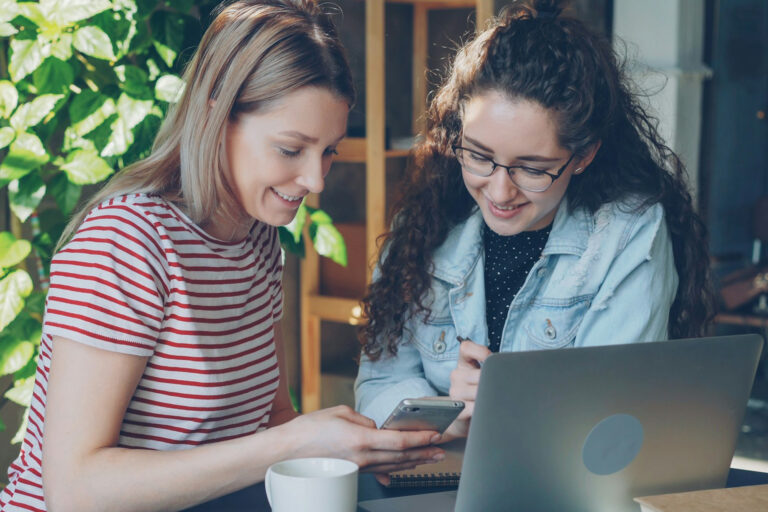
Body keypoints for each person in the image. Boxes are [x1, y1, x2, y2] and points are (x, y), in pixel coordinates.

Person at [0, 2, 446, 511]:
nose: (316, 180)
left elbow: (271, 421)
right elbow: (74, 491)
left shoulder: (256, 240)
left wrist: (350, 452)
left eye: (328, 151)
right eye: (290, 149)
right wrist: (293, 443)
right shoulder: (126, 242)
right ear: (216, 111)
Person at [355, 0, 715, 441]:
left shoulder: (630, 234)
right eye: (479, 156)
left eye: (532, 168)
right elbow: (378, 385)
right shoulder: (426, 222)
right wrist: (446, 413)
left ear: (583, 156)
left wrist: (509, 402)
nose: (501, 191)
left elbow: (611, 417)